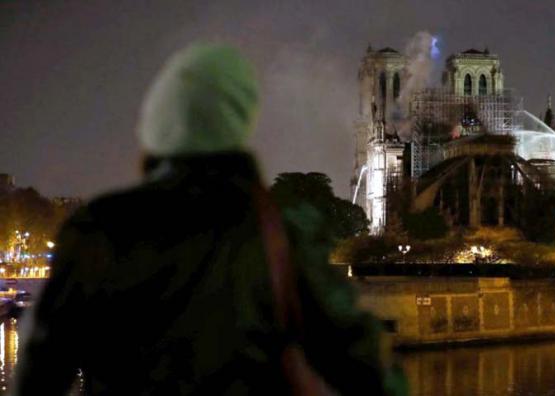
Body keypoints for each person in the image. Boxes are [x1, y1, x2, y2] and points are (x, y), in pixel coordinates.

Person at [11, 44, 407, 395]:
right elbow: (365, 365)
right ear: (237, 127)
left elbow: (40, 373)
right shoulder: (279, 236)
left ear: (156, 126)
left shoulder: (97, 228)